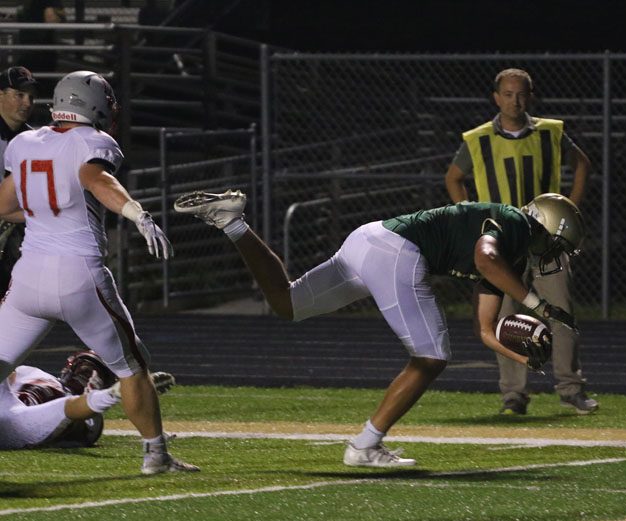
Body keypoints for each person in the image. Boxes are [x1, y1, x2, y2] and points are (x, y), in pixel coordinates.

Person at [175, 189, 585, 468]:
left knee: (287, 303)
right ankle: (365, 445)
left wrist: (527, 355)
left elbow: (485, 329)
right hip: (397, 252)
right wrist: (539, 305)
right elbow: (484, 258)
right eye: (559, 245)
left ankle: (232, 223)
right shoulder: (513, 223)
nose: (555, 255)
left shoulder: (511, 257)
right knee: (432, 356)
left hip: (369, 240)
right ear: (550, 227)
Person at [0, 70, 198, 473]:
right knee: (133, 367)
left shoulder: (23, 143)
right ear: (92, 105)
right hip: (79, 278)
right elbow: (95, 177)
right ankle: (155, 454)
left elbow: (3, 206)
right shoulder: (94, 141)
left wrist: (43, 215)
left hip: (28, 278)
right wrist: (136, 213)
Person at [444, 67, 594, 417]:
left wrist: (569, 209)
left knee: (562, 313)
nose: (515, 100)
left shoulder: (550, 133)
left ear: (531, 96)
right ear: (496, 98)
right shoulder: (478, 139)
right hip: (503, 245)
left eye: (521, 94)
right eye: (508, 94)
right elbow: (453, 178)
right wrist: (468, 216)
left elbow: (582, 163)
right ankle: (514, 395)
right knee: (506, 321)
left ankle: (571, 389)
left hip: (545, 242)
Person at [0, 350, 175, 450]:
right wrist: (113, 394)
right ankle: (123, 392)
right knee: (88, 364)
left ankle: (124, 391)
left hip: (46, 401)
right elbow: (67, 408)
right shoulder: (14, 420)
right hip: (76, 418)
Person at [0, 66, 38, 294]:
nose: (27, 103)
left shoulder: (33, 139)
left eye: (31, 97)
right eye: (19, 95)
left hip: (16, 227)